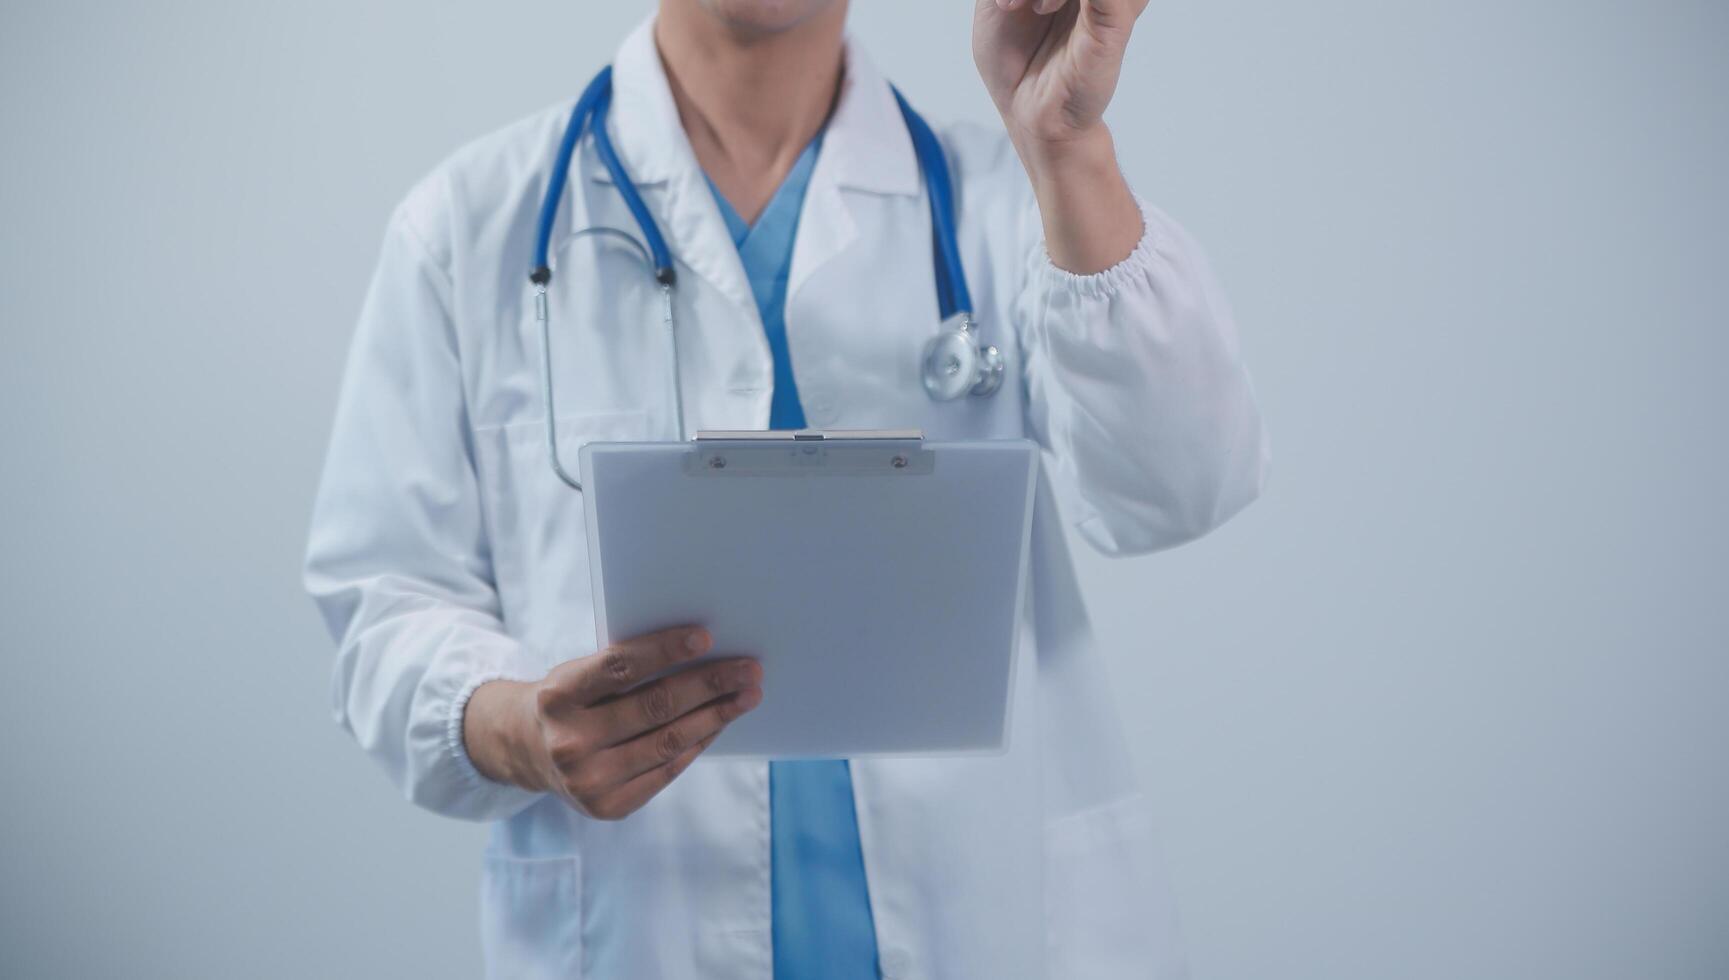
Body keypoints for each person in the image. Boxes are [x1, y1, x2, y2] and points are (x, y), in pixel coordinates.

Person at [304, 0, 1267, 976]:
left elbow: (1181, 481)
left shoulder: (1004, 201)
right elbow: (384, 606)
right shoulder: (468, 231)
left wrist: (1067, 147)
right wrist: (518, 727)